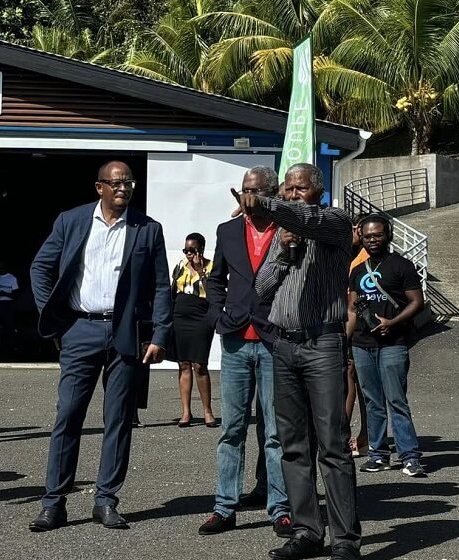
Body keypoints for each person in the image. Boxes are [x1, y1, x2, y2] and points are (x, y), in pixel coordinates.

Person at [27, 160, 172, 532]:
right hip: (80, 330)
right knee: (68, 415)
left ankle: (106, 500)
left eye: (129, 183)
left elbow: (160, 286)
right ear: (99, 188)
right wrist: (53, 318)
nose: (123, 188)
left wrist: (159, 336)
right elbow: (40, 268)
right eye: (116, 183)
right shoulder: (71, 221)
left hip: (126, 334)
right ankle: (53, 503)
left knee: (119, 420)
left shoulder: (148, 229)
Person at [237, 163, 361, 560]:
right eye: (287, 188)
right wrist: (285, 254)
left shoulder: (334, 222)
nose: (292, 194)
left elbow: (307, 218)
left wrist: (269, 205)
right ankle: (308, 530)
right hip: (284, 346)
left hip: (322, 344)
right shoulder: (284, 236)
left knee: (333, 445)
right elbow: (260, 287)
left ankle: (345, 539)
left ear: (318, 192)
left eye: (299, 188)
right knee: (292, 444)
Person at [201, 165, 292, 537]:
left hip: (274, 340)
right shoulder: (227, 231)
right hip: (236, 339)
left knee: (274, 432)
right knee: (231, 429)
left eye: (255, 190)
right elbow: (215, 277)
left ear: (271, 193)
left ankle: (280, 507)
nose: (248, 196)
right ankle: (225, 506)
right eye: (243, 189)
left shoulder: (288, 231)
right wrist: (216, 313)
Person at [345, 214, 426, 477]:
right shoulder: (357, 271)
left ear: (388, 235)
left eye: (377, 235)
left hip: (393, 343)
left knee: (396, 400)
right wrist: (344, 343)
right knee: (372, 401)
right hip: (362, 344)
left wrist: (393, 322)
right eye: (367, 236)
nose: (372, 240)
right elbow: (352, 309)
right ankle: (378, 454)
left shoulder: (402, 266)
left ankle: (410, 456)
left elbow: (417, 302)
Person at [170, 232, 217, 428]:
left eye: (192, 250)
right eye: (186, 250)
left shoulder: (211, 267)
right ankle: (186, 412)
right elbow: (172, 290)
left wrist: (200, 271)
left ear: (201, 249)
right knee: (183, 363)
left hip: (201, 316)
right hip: (180, 315)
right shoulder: (180, 265)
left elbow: (213, 292)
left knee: (199, 364)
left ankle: (207, 411)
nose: (189, 254)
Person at [346, 220, 370, 457]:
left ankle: (356, 436)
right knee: (356, 382)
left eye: (356, 228)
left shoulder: (363, 257)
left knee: (351, 379)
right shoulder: (346, 254)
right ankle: (365, 436)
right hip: (346, 323)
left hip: (359, 326)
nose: (354, 232)